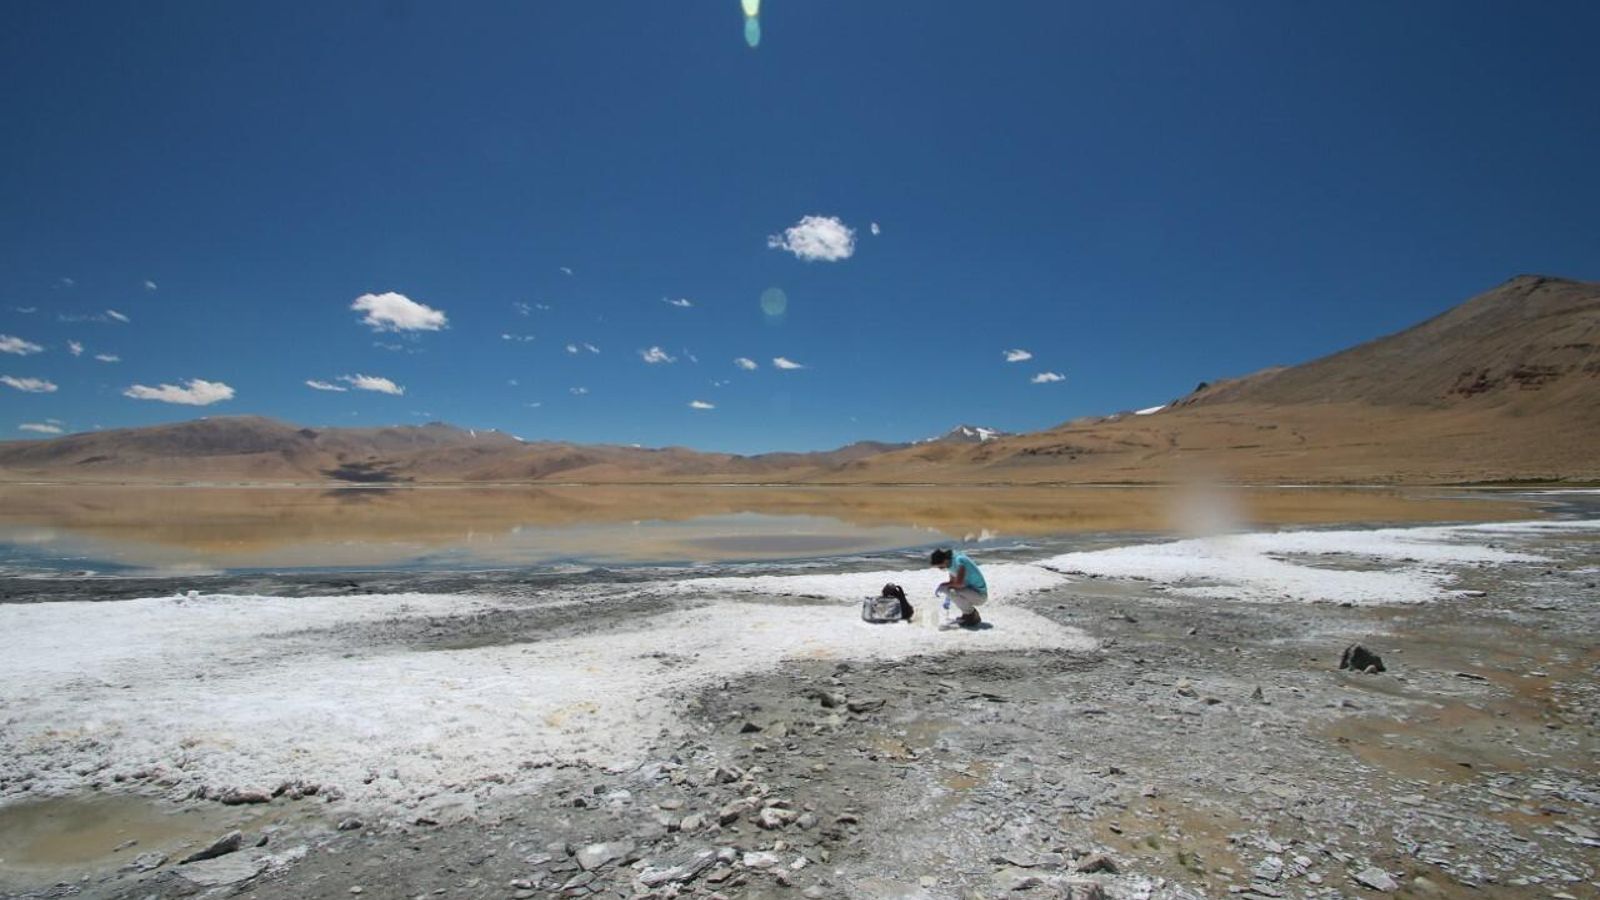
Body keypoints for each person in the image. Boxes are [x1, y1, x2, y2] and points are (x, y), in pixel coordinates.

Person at [930, 547, 987, 627]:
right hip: (971, 592)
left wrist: (942, 586)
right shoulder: (950, 564)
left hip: (980, 595)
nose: (940, 569)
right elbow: (953, 582)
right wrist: (945, 589)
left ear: (945, 560)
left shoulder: (959, 561)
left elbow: (959, 584)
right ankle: (968, 614)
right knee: (947, 589)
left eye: (940, 566)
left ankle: (971, 615)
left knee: (950, 590)